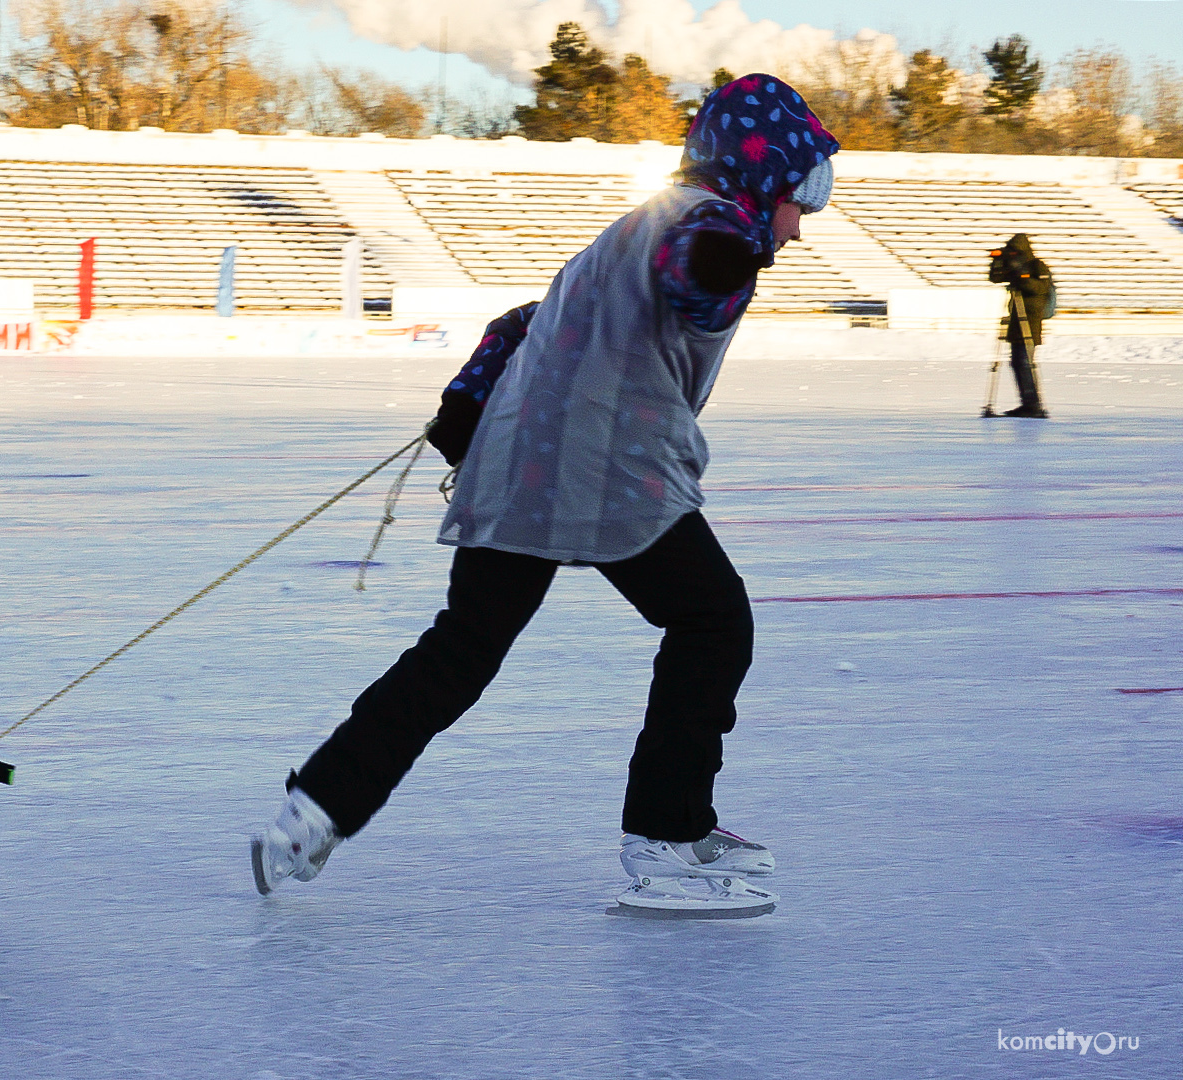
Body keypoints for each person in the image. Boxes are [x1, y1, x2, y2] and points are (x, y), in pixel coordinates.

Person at [250, 75, 842, 918]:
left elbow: (521, 323)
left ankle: (315, 809)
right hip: (608, 471)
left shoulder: (640, 223)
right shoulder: (706, 226)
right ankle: (668, 835)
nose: (800, 224)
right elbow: (697, 270)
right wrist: (727, 261)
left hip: (520, 467)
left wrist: (462, 411)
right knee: (714, 621)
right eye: (800, 200)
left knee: (462, 650)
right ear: (762, 178)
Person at [987, 233, 1053, 418]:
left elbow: (1038, 289)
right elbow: (995, 278)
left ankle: (1034, 405)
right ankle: (1027, 403)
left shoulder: (1037, 266)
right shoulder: (1017, 265)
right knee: (1017, 363)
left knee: (1025, 363)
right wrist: (998, 262)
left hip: (1030, 323)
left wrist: (1021, 275)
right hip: (1016, 323)